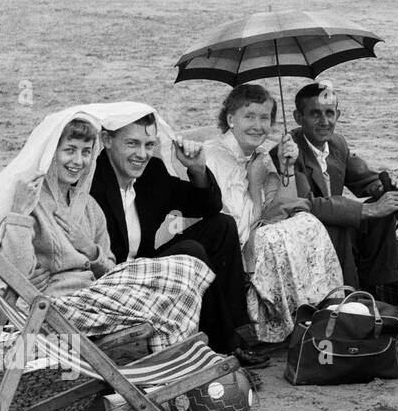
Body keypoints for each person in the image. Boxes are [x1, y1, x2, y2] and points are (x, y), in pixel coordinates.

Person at [0, 107, 214, 357]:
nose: (78, 161)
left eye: (86, 152)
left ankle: (170, 360)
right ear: (50, 154)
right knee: (181, 275)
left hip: (94, 298)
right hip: (57, 309)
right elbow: (18, 273)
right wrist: (18, 213)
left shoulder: (89, 207)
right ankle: (171, 362)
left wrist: (91, 252)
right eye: (69, 150)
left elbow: (109, 268)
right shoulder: (29, 203)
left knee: (186, 267)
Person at [88, 101, 268, 368]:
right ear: (106, 140)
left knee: (222, 226)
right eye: (132, 144)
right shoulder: (91, 180)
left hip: (146, 265)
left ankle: (235, 330)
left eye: (149, 145)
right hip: (113, 278)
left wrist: (196, 169)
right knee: (190, 251)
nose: (142, 154)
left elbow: (208, 207)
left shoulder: (152, 174)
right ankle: (225, 345)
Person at [201, 84, 344, 343]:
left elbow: (282, 209)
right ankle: (288, 320)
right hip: (225, 244)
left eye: (265, 118)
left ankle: (322, 310)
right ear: (231, 119)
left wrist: (287, 167)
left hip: (255, 232)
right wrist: (255, 186)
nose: (258, 126)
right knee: (277, 238)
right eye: (250, 117)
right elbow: (231, 223)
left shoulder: (261, 155)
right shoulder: (213, 157)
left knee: (307, 222)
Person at [269, 83, 398, 299]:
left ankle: (376, 291)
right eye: (315, 114)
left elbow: (363, 177)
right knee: (342, 224)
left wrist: (384, 188)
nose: (324, 122)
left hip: (332, 226)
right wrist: (368, 210)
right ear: (298, 117)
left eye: (329, 113)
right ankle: (347, 299)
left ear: (338, 114)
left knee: (384, 206)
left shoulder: (337, 143)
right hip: (302, 232)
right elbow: (308, 206)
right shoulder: (287, 153)